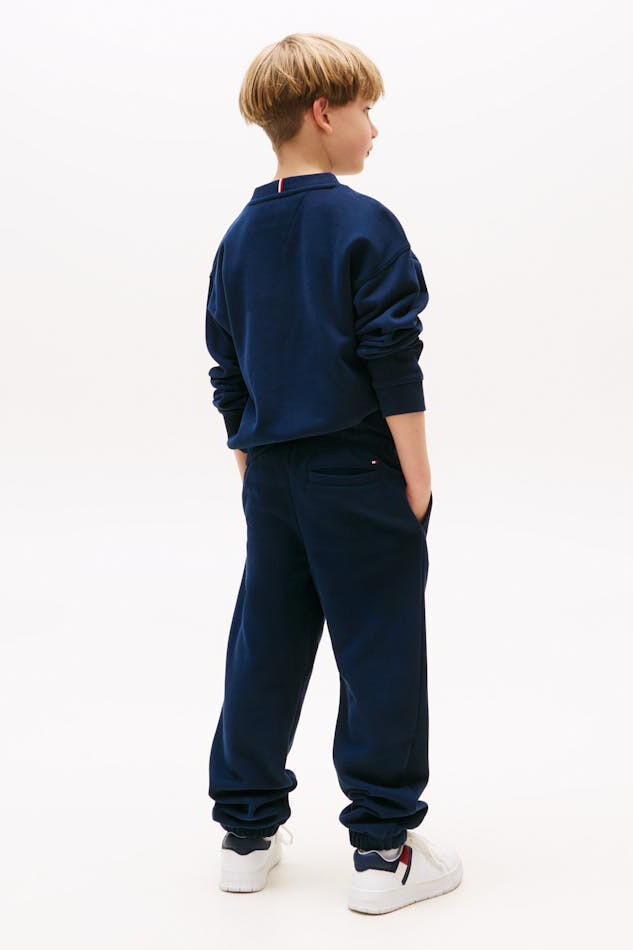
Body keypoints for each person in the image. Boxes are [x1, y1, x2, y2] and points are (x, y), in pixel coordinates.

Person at [204, 32, 462, 914]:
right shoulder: (363, 221)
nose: (373, 129)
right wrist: (416, 477)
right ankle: (383, 851)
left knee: (266, 644)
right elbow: (392, 355)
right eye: (364, 110)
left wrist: (254, 461)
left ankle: (245, 836)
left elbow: (228, 369)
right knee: (378, 648)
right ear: (322, 112)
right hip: (358, 468)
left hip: (272, 475)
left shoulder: (238, 237)